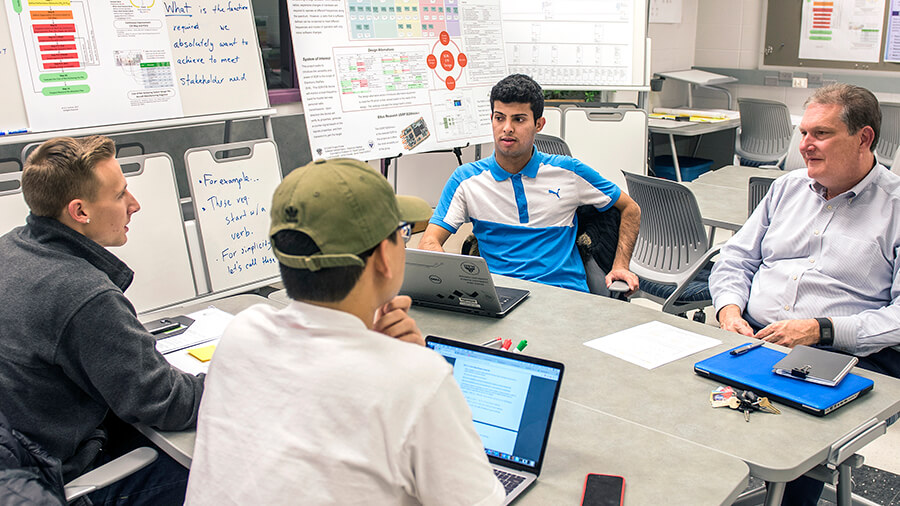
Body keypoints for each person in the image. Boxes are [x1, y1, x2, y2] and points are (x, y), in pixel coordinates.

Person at [185, 158, 505, 505]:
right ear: (385, 256)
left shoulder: (242, 332)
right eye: (403, 233)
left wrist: (377, 350)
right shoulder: (417, 379)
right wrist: (405, 364)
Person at [709, 83, 900, 506]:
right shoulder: (787, 188)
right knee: (684, 415)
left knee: (790, 451)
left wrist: (820, 330)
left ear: (864, 138)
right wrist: (728, 309)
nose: (806, 146)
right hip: (749, 336)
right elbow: (734, 259)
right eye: (803, 133)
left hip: (838, 353)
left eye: (821, 134)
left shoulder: (895, 207)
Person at [0, 136, 205, 505]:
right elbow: (170, 404)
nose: (134, 204)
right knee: (219, 468)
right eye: (120, 194)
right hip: (62, 473)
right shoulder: (84, 296)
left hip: (22, 451)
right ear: (80, 211)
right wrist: (238, 377)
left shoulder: (11, 248)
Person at [418, 74, 641, 293]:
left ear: (539, 124)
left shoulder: (568, 171)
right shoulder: (466, 179)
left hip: (564, 295)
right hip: (499, 295)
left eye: (519, 119)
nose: (507, 128)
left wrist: (620, 265)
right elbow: (429, 242)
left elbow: (630, 208)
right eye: (499, 118)